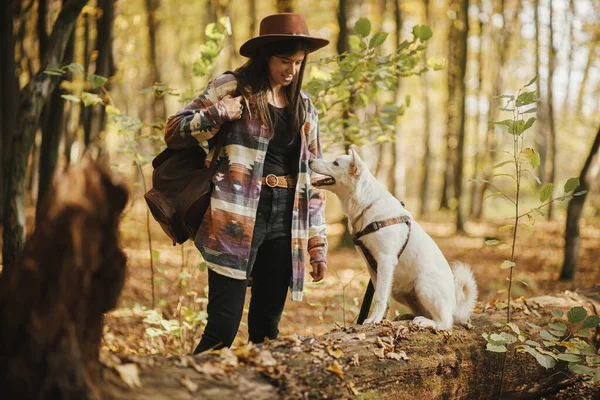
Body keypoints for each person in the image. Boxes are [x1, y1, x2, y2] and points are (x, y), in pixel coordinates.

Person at [164, 13, 330, 353]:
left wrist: (317, 245)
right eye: (285, 61)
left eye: (298, 63)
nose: (292, 70)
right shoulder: (231, 87)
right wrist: (219, 113)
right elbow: (173, 131)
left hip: (287, 222)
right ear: (265, 55)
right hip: (234, 219)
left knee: (266, 332)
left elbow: (312, 180)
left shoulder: (305, 107)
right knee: (222, 329)